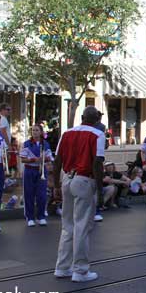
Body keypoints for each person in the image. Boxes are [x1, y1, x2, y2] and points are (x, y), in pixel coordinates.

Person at [52, 106, 105, 282]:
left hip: (67, 177)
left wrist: (56, 183)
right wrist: (99, 188)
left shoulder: (66, 133)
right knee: (82, 225)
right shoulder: (97, 135)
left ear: (82, 117)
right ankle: (80, 270)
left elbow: (57, 159)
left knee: (67, 225)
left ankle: (62, 266)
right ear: (97, 119)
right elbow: (97, 163)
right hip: (84, 179)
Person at [19, 124, 53, 227]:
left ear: (41, 132)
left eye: (37, 130)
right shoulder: (26, 144)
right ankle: (30, 218)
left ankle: (41, 216)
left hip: (41, 170)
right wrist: (34, 159)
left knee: (42, 195)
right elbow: (23, 159)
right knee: (28, 194)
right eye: (33, 130)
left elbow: (50, 158)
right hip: (30, 170)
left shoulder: (45, 144)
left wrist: (44, 158)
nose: (35, 132)